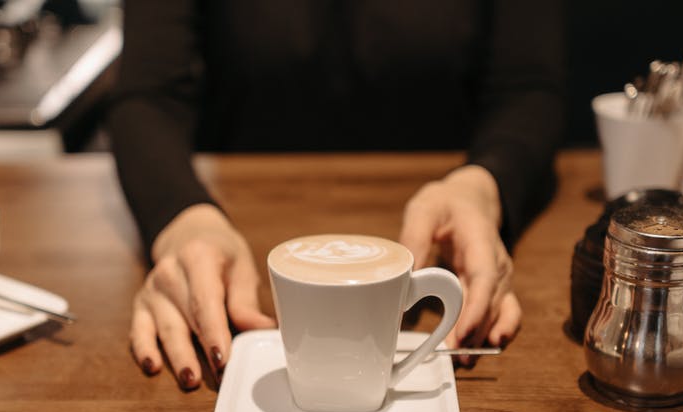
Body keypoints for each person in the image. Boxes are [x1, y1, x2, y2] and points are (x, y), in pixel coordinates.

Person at [106, 0, 565, 389]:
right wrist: (184, 220)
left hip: (441, 257)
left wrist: (482, 187)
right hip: (241, 266)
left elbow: (529, 87)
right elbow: (147, 94)